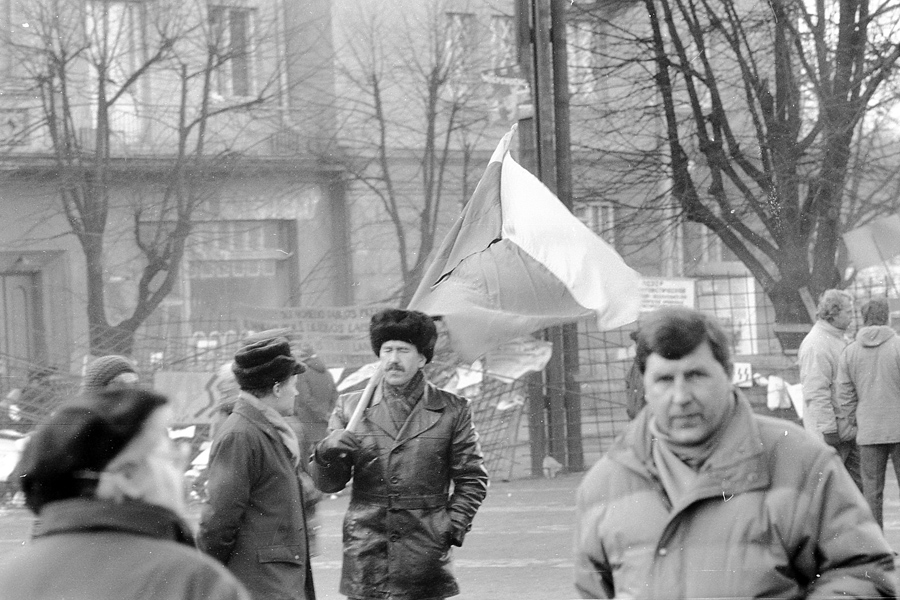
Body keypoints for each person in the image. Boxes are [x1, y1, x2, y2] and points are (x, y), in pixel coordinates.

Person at [574, 306, 896, 599]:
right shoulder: (605, 485)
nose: (681, 396)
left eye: (696, 375)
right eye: (664, 380)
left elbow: (864, 573)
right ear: (644, 384)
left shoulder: (803, 464)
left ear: (728, 374)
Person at [0, 387, 250, 600]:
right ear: (128, 477)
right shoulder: (195, 581)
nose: (179, 468)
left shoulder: (10, 577)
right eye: (169, 454)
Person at [310, 308, 489, 600]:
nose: (393, 359)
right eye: (387, 350)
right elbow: (328, 484)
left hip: (425, 549)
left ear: (422, 359)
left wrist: (451, 527)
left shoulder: (452, 410)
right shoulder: (350, 408)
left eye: (403, 351)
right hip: (366, 550)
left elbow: (472, 478)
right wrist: (326, 452)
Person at [198, 335, 316, 600]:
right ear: (277, 388)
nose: (296, 392)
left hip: (276, 582)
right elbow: (219, 520)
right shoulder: (241, 435)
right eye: (293, 384)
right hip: (262, 586)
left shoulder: (267, 430)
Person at [836, 297, 900, 528]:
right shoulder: (898, 346)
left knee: (871, 492)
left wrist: (855, 420)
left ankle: (875, 544)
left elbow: (844, 394)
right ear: (887, 317)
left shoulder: (850, 352)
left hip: (868, 430)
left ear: (863, 319)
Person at [797, 288, 862, 489]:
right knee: (831, 490)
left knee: (855, 489)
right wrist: (828, 430)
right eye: (848, 312)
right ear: (833, 313)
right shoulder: (816, 344)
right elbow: (816, 392)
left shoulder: (837, 338)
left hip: (846, 431)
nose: (852, 317)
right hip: (832, 435)